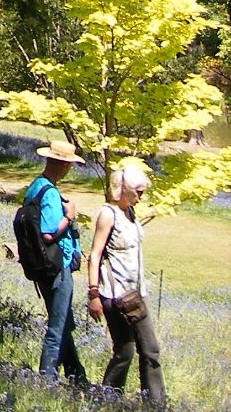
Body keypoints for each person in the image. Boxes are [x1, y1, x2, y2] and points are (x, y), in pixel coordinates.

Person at [87, 159, 166, 409]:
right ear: (126, 188)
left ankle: (156, 403)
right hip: (114, 296)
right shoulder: (107, 214)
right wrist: (94, 295)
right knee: (125, 351)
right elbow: (95, 255)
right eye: (139, 192)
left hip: (135, 295)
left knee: (150, 349)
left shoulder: (130, 212)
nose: (141, 197)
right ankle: (108, 399)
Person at [24, 139, 88, 385]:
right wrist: (69, 218)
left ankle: (76, 374)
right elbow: (49, 233)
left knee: (63, 321)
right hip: (57, 266)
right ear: (61, 165)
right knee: (58, 325)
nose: (69, 169)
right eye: (68, 164)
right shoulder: (49, 192)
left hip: (43, 265)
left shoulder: (36, 186)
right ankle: (46, 378)